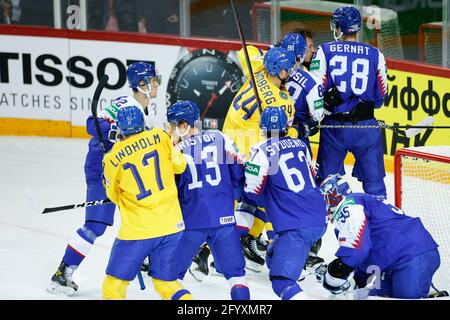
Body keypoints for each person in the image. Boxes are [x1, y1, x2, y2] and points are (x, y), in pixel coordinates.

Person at [48, 62, 161, 296]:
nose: (157, 83)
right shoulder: (126, 105)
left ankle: (141, 257)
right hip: (103, 172)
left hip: (126, 171)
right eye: (153, 80)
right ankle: (63, 272)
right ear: (142, 85)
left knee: (144, 212)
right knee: (96, 225)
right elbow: (93, 124)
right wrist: (115, 133)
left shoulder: (144, 108)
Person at [101, 105, 191, 300]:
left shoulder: (112, 157)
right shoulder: (160, 136)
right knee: (167, 284)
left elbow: (113, 196)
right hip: (172, 226)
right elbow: (179, 165)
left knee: (114, 285)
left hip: (137, 231)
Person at [222, 46, 297, 271]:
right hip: (250, 153)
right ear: (279, 71)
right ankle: (241, 241)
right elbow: (285, 132)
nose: (290, 72)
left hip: (228, 143)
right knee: (267, 195)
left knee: (234, 199)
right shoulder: (283, 102)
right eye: (287, 69)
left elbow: (248, 50)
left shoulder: (256, 70)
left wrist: (267, 55)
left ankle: (237, 240)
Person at [167, 100, 250, 300]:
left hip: (191, 225)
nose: (169, 129)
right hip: (224, 222)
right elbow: (239, 170)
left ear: (183, 124)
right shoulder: (220, 137)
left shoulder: (175, 152)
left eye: (172, 124)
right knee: (237, 277)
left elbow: (171, 192)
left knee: (170, 279)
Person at [243, 107, 328, 300]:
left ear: (262, 128)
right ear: (286, 126)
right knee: (272, 256)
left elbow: (252, 191)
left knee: (281, 281)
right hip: (318, 216)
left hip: (295, 226)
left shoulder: (259, 151)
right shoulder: (301, 145)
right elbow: (312, 175)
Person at [316, 174, 440, 299]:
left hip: (408, 258)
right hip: (403, 257)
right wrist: (358, 279)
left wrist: (339, 269)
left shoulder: (347, 205)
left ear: (332, 196)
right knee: (370, 296)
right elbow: (367, 249)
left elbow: (357, 248)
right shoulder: (362, 201)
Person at [309, 6, 388, 199]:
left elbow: (314, 89)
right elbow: (382, 94)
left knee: (327, 183)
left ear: (339, 27)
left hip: (333, 127)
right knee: (375, 185)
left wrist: (319, 114)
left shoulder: (325, 51)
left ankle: (337, 223)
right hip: (366, 127)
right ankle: (380, 222)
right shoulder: (375, 54)